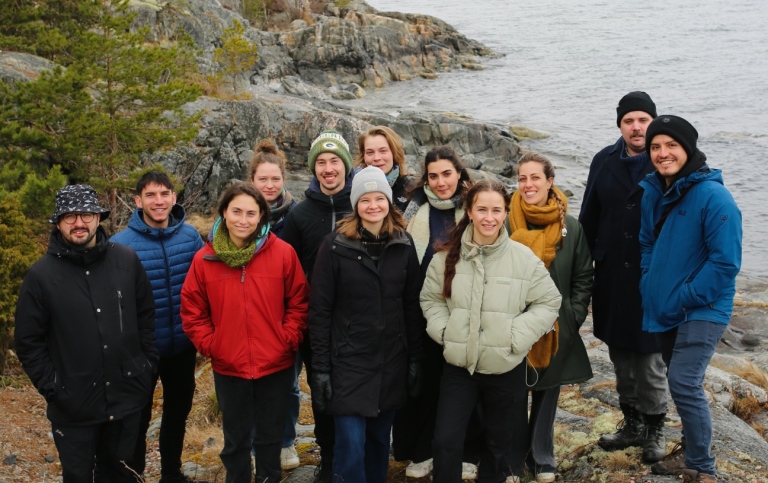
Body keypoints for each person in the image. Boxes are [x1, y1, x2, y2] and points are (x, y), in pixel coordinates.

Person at [420, 179, 562, 483]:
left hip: (506, 368)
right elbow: (430, 299)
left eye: (496, 210)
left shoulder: (523, 259)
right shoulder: (445, 257)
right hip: (459, 367)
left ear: (505, 212)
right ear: (469, 211)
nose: (489, 217)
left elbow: (549, 301)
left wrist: (516, 337)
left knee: (499, 448)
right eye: (482, 209)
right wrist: (446, 333)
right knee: (445, 442)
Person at [15, 184, 157, 483]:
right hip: (73, 407)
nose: (79, 223)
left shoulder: (127, 261)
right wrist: (54, 388)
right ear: (58, 221)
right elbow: (28, 343)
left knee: (123, 475)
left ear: (98, 217)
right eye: (70, 216)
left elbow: (145, 318)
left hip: (127, 399)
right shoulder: (40, 277)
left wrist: (144, 368)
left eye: (87, 215)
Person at [181, 182, 309, 483]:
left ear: (262, 217)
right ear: (224, 212)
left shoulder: (283, 253)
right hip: (230, 366)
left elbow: (299, 303)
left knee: (269, 441)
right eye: (236, 211)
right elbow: (192, 310)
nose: (243, 220)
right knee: (236, 442)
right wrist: (213, 345)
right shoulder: (204, 259)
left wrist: (286, 339)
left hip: (275, 364)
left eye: (251, 213)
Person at [639, 115, 742, 483]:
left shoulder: (714, 196)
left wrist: (685, 295)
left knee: (684, 381)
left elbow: (725, 262)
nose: (662, 153)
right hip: (667, 305)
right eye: (655, 147)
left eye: (671, 145)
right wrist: (650, 282)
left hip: (703, 307)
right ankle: (690, 451)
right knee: (679, 382)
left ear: (688, 148)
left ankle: (703, 468)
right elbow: (647, 242)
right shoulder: (656, 190)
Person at [308, 167, 424, 483]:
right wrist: (320, 368)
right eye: (365, 199)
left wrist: (415, 358)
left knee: (376, 443)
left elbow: (411, 305)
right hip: (347, 362)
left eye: (379, 199)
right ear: (356, 204)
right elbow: (319, 310)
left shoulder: (404, 244)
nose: (373, 205)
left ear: (388, 202)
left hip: (390, 362)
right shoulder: (333, 246)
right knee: (349, 443)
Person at [578, 91, 668, 463]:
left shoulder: (666, 161)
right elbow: (588, 218)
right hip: (612, 275)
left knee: (649, 360)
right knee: (620, 356)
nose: (636, 127)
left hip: (652, 277)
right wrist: (581, 269)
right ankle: (631, 424)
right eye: (629, 120)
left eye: (643, 120)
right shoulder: (604, 160)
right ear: (620, 124)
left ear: (653, 123)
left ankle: (655, 428)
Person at [110, 171, 204, 483]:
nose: (159, 201)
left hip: (182, 345)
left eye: (164, 194)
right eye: (150, 195)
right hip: (140, 350)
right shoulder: (119, 245)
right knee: (136, 417)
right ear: (137, 201)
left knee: (177, 412)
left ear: (174, 197)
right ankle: (132, 475)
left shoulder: (190, 237)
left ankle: (171, 473)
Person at [507, 153, 594, 483]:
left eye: (535, 178)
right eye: (522, 179)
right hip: (514, 322)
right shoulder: (506, 221)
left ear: (550, 181)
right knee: (513, 391)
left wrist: (573, 315)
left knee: (548, 391)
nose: (528, 185)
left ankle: (542, 456)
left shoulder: (570, 227)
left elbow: (584, 275)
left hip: (557, 323)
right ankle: (513, 457)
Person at [392, 146, 476, 479]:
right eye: (433, 176)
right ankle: (421, 449)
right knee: (424, 385)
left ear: (459, 174)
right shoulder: (413, 211)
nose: (441, 182)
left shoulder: (473, 209)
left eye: (447, 174)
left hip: (465, 312)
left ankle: (468, 451)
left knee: (465, 385)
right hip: (422, 311)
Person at [280, 129, 355, 482]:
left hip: (356, 322)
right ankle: (328, 458)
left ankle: (354, 454)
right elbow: (284, 268)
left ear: (346, 165)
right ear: (314, 169)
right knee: (321, 391)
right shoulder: (300, 215)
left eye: (334, 161)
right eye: (321, 162)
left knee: (353, 388)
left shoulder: (362, 205)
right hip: (316, 322)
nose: (328, 168)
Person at [246, 139, 301, 469]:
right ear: (252, 180)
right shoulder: (239, 213)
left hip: (285, 316)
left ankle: (285, 441)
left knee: (289, 384)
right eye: (263, 179)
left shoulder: (295, 216)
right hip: (249, 315)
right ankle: (254, 446)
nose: (269, 185)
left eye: (275, 179)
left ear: (284, 179)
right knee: (251, 385)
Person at [354, 125, 413, 212]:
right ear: (363, 156)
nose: (377, 158)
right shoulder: (351, 187)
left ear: (394, 152)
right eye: (370, 152)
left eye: (383, 151)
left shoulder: (410, 191)